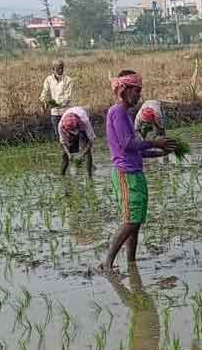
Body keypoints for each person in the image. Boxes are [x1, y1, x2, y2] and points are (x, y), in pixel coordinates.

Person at [99, 70, 177, 273]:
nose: (139, 96)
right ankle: (107, 263)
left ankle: (131, 263)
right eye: (136, 91)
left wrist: (160, 152)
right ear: (124, 90)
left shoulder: (126, 115)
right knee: (130, 221)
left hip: (135, 171)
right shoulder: (116, 112)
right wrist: (154, 141)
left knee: (137, 222)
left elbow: (137, 151)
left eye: (140, 91)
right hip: (126, 174)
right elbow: (127, 144)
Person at [39, 59, 76, 135]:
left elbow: (67, 98)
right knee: (58, 134)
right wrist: (43, 101)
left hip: (66, 112)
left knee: (68, 134)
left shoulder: (68, 80)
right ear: (53, 69)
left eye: (62, 67)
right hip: (55, 113)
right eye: (58, 68)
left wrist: (53, 104)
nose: (61, 70)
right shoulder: (48, 80)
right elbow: (45, 92)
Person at [57, 106, 95, 178]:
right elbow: (63, 142)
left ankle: (90, 176)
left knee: (87, 152)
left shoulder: (85, 122)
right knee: (65, 155)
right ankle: (62, 175)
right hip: (70, 127)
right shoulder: (61, 125)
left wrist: (83, 154)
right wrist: (69, 154)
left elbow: (91, 140)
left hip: (81, 122)